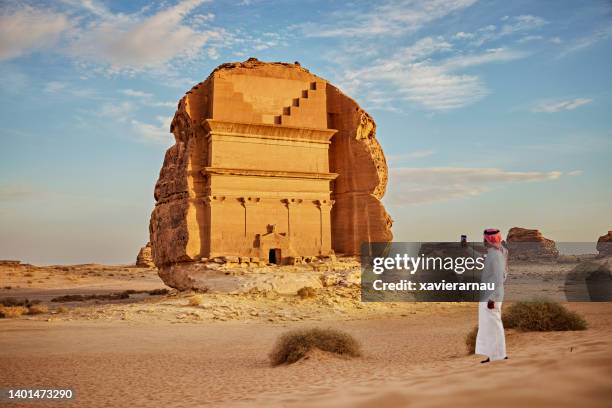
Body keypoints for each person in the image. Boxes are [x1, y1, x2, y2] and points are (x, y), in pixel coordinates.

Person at [475, 228, 508, 363]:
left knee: (493, 325)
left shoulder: (495, 255)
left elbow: (499, 277)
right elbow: (480, 259)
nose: (483, 241)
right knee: (489, 326)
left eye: (484, 239)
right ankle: (494, 355)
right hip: (488, 295)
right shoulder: (494, 253)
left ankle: (498, 356)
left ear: (488, 240)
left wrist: (492, 298)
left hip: (491, 296)